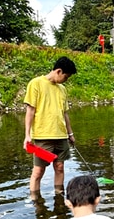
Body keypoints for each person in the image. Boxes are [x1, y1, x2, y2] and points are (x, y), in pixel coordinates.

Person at [24, 56, 77, 193]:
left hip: (61, 136)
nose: (66, 80)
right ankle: (36, 202)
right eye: (66, 77)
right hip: (43, 136)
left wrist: (70, 134)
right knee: (38, 170)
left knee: (60, 167)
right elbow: (30, 110)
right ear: (59, 71)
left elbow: (65, 113)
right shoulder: (36, 83)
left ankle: (59, 198)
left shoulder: (62, 89)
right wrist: (27, 135)